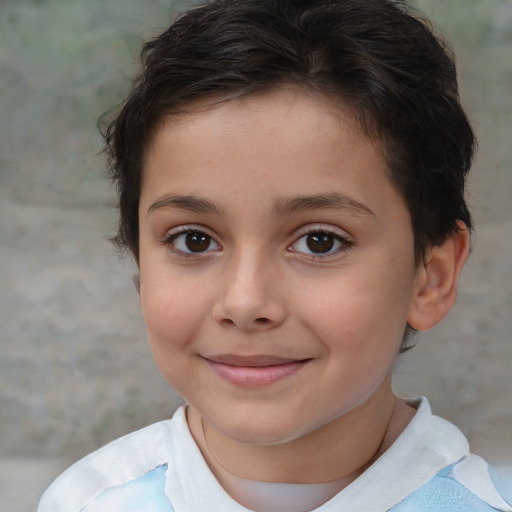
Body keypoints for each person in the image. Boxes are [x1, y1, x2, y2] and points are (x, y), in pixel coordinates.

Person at [38, 0, 511, 510]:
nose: (245, 303)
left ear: (431, 277)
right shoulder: (88, 501)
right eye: (194, 239)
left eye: (320, 241)